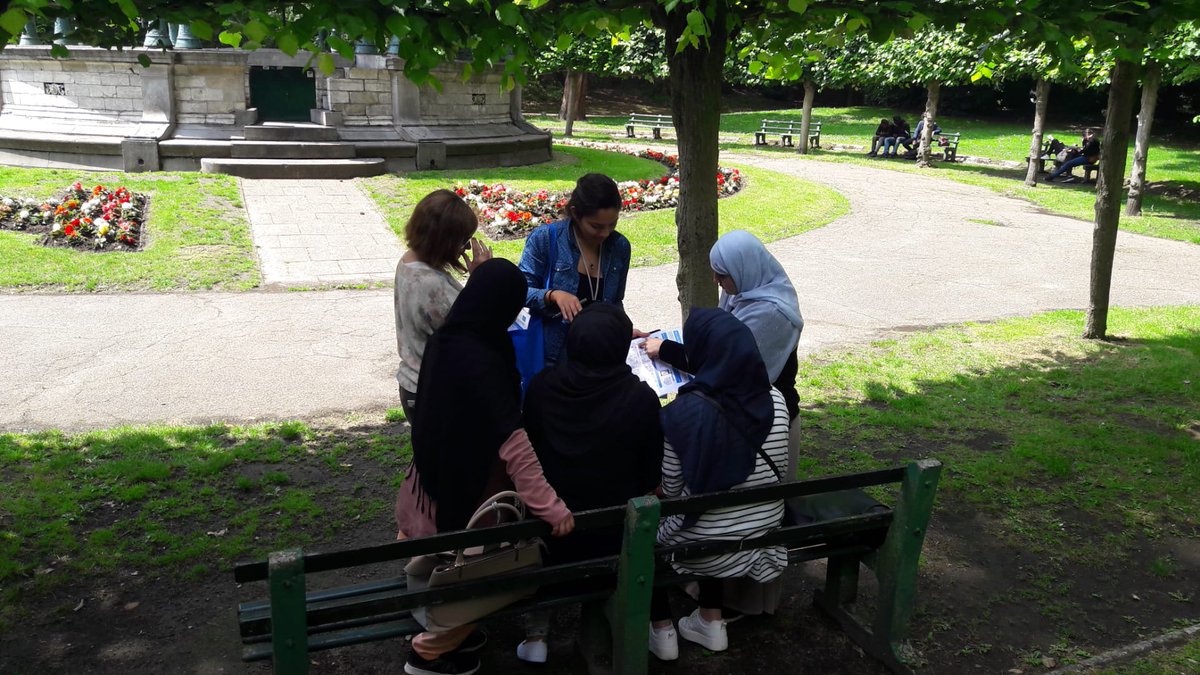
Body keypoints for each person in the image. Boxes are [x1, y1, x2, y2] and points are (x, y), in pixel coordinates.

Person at [395, 258, 575, 675]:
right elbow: (515, 446)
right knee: (491, 570)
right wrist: (551, 508)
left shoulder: (448, 339)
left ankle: (445, 624)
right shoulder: (483, 361)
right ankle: (429, 651)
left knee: (446, 560)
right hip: (469, 492)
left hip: (429, 480)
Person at [644, 230, 803, 617]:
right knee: (733, 508)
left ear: (743, 270)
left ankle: (743, 602)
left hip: (758, 419)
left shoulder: (772, 313)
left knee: (740, 504)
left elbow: (727, 364)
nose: (718, 283)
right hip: (740, 413)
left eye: (722, 275)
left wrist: (664, 350)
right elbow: (718, 347)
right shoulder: (744, 292)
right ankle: (716, 601)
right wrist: (658, 340)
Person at [516, 304, 665, 663]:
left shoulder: (541, 388)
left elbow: (529, 456)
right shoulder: (641, 398)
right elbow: (650, 477)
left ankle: (537, 633)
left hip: (551, 529)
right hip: (615, 535)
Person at [650, 309, 789, 656]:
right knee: (715, 504)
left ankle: (661, 629)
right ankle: (711, 622)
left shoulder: (682, 414)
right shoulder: (776, 398)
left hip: (707, 547)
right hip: (763, 534)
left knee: (646, 520)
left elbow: (670, 492)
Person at [394, 189, 492, 423]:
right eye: (463, 240)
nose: (466, 249)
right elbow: (473, 329)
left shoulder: (409, 259)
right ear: (444, 240)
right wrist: (481, 278)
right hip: (434, 395)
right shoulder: (432, 285)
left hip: (413, 384)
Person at [518, 173, 633, 369]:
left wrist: (623, 329)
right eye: (596, 226)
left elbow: (615, 301)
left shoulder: (619, 246)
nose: (605, 234)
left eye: (612, 224)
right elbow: (519, 291)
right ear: (575, 213)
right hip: (552, 359)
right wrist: (552, 296)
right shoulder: (546, 238)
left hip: (600, 359)